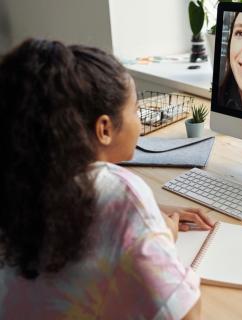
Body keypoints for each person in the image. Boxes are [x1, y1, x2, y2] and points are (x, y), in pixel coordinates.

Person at [0, 39, 214, 319]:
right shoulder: (122, 193)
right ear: (104, 129)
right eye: (136, 109)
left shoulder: (22, 179)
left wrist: (151, 215)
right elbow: (186, 314)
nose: (139, 120)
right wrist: (163, 237)